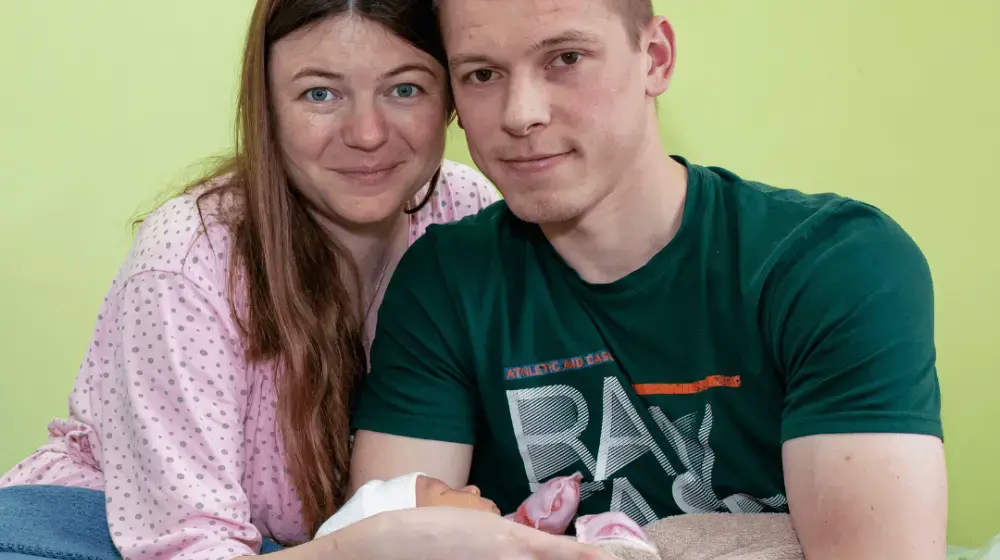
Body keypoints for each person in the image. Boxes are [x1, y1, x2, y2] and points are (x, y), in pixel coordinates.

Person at [1, 1, 610, 559]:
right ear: (264, 106)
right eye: (320, 94)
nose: (366, 133)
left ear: (449, 99)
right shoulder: (190, 258)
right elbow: (186, 548)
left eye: (404, 89)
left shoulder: (465, 213)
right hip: (90, 537)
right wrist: (383, 543)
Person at [347, 0, 949, 558]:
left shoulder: (833, 263)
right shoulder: (445, 283)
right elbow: (387, 541)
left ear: (655, 59)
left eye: (566, 58)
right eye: (482, 74)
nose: (521, 113)